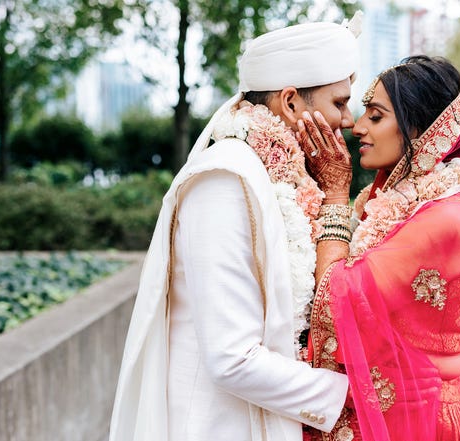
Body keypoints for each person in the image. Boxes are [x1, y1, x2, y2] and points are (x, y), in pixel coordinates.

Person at [108, 14, 365, 441]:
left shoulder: (282, 176)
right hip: (218, 426)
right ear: (290, 102)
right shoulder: (225, 180)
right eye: (339, 102)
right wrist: (352, 394)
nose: (350, 119)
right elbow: (232, 358)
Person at [297, 55, 460, 441]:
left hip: (419, 420)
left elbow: (336, 296)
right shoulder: (415, 202)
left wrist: (333, 195)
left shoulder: (450, 217)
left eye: (376, 116)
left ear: (420, 130)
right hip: (397, 408)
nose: (358, 127)